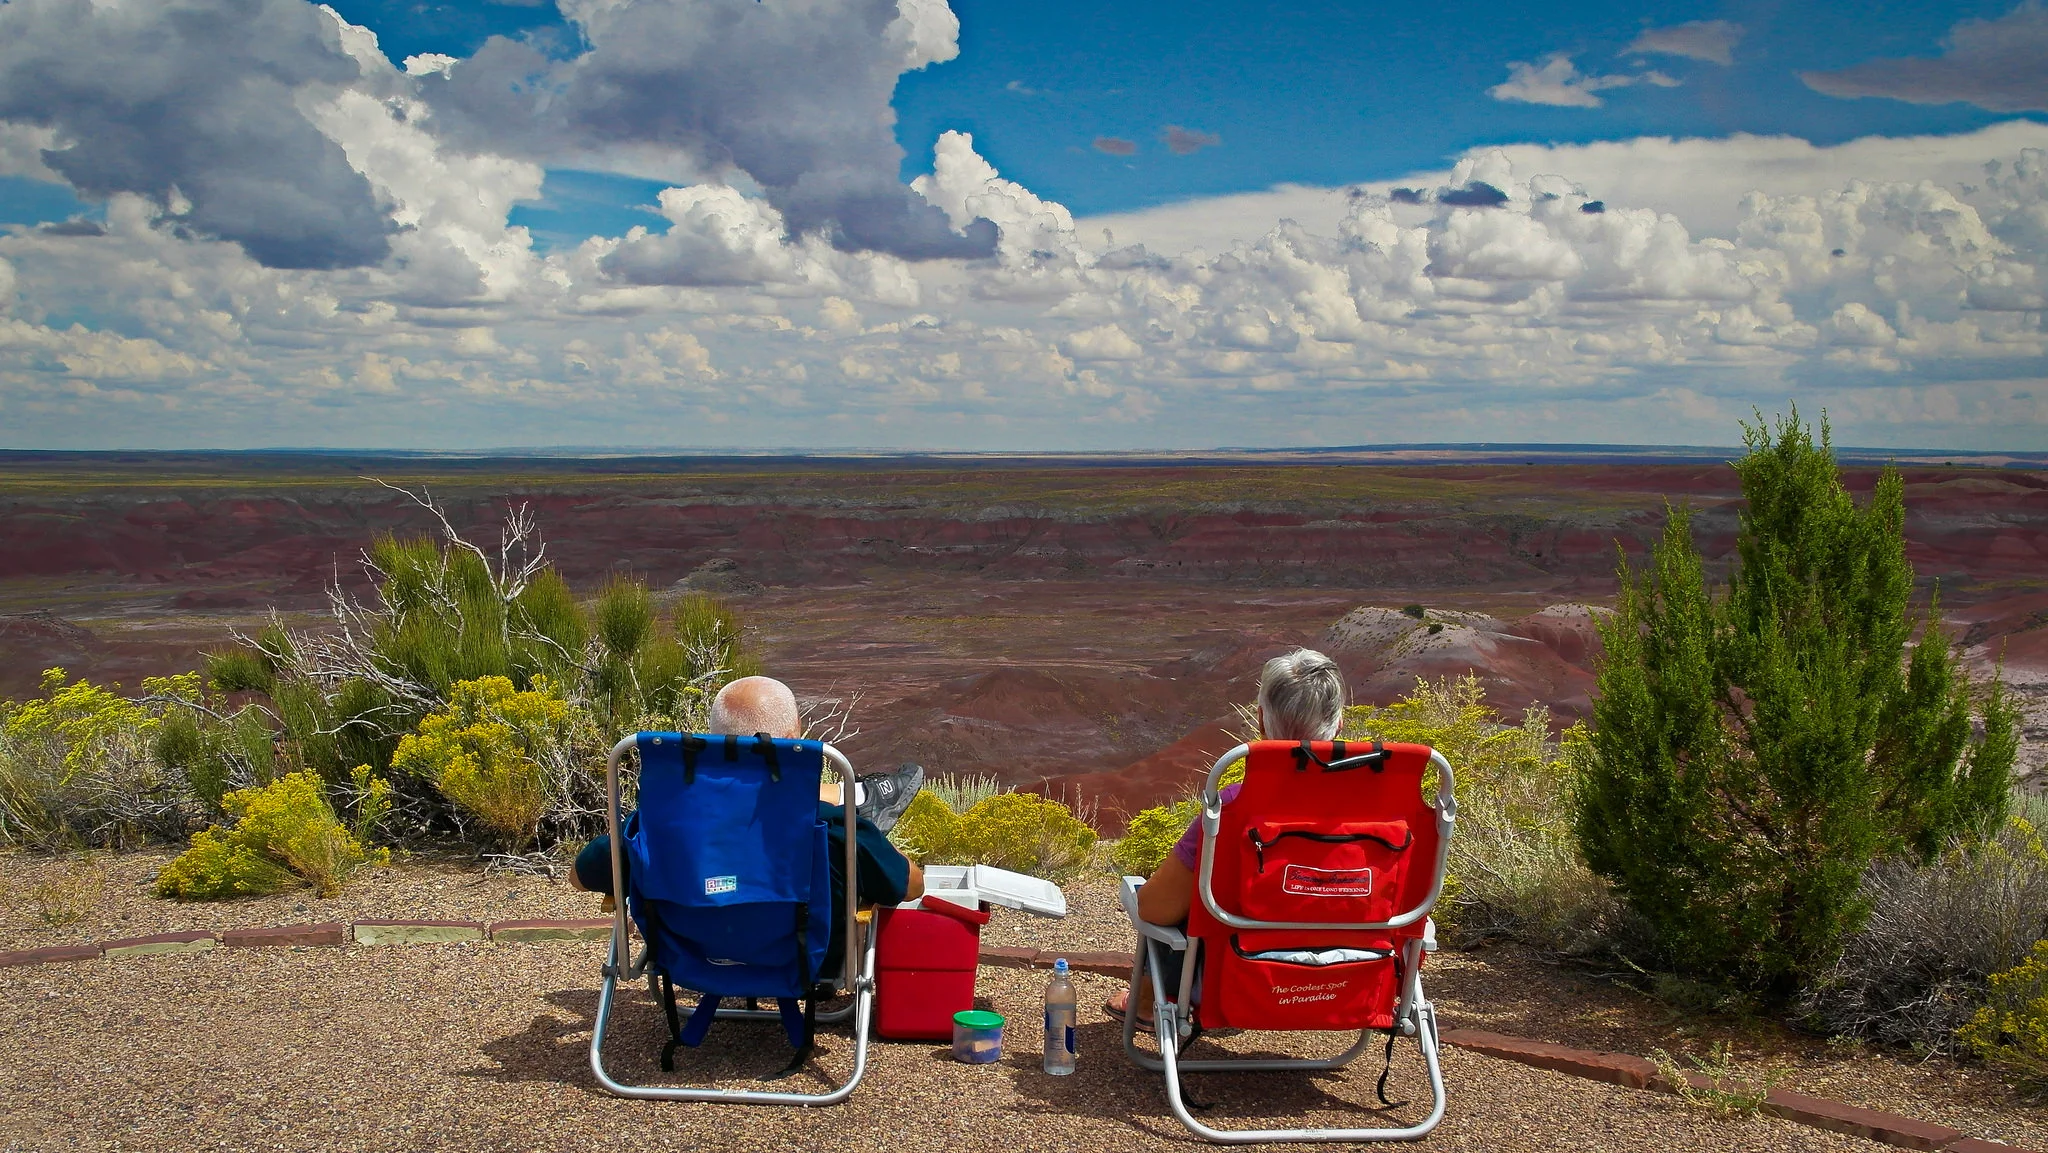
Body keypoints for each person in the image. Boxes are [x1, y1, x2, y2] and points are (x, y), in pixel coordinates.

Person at [571, 675, 926, 971]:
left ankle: (851, 796)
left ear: (714, 740)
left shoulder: (659, 827)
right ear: (796, 738)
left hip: (689, 957)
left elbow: (579, 876)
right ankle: (856, 799)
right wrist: (871, 841)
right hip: (805, 959)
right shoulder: (829, 827)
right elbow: (910, 887)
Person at [1107, 648, 1348, 1031]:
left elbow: (1155, 910)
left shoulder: (1234, 807)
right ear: (1338, 726)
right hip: (1347, 981)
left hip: (1242, 979)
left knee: (1176, 900)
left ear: (1261, 723)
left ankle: (1151, 1004)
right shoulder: (1385, 814)